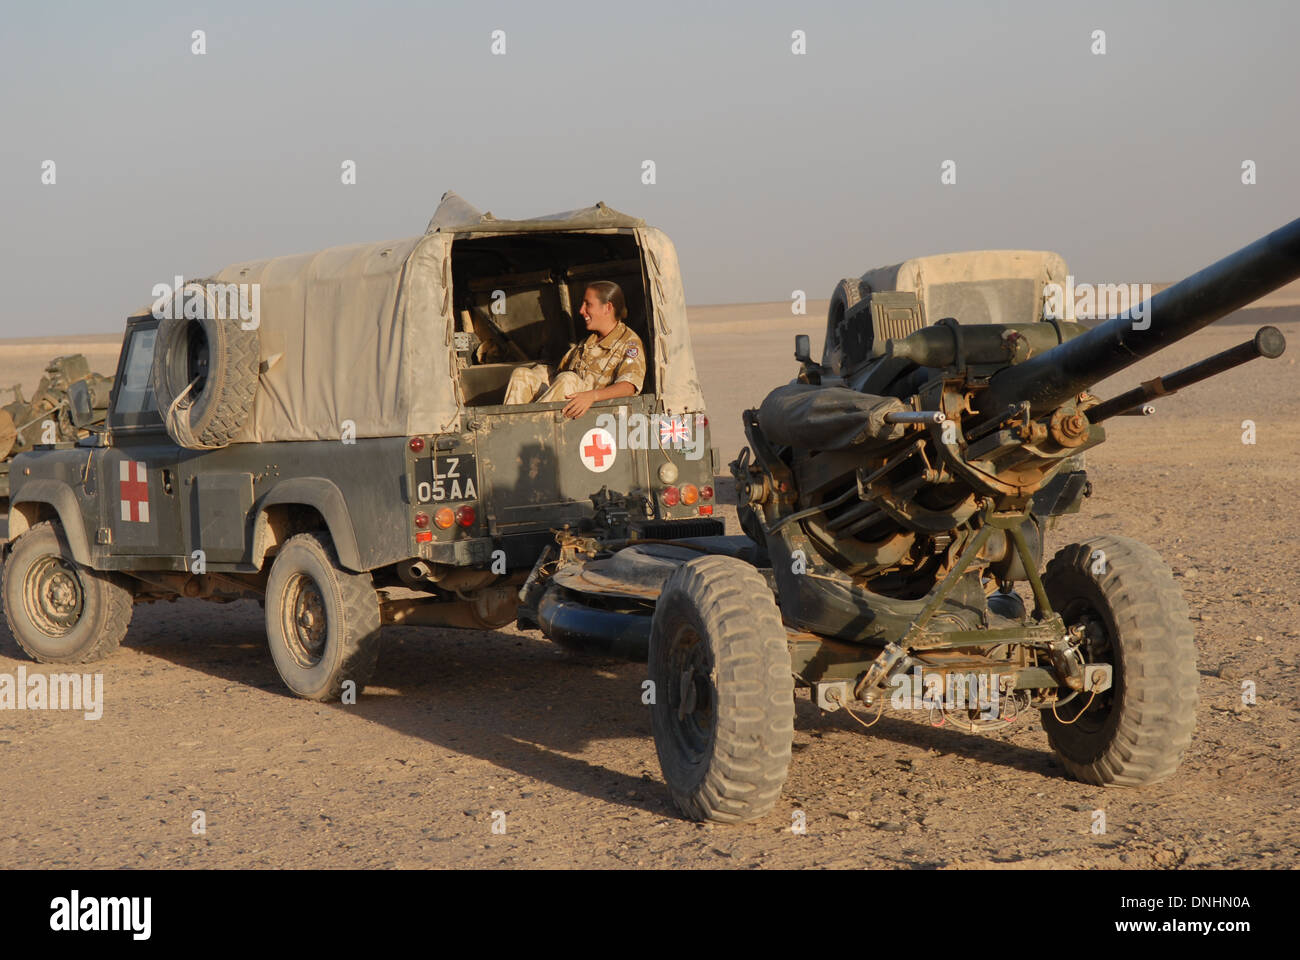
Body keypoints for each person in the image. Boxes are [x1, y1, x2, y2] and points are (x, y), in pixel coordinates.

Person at [503, 280, 646, 418]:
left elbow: (628, 386)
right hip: (568, 406)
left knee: (568, 380)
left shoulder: (629, 343)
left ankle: (523, 430)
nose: (581, 310)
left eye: (588, 305)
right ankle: (507, 429)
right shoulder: (588, 342)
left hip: (593, 413)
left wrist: (593, 396)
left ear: (607, 308)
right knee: (521, 374)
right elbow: (559, 371)